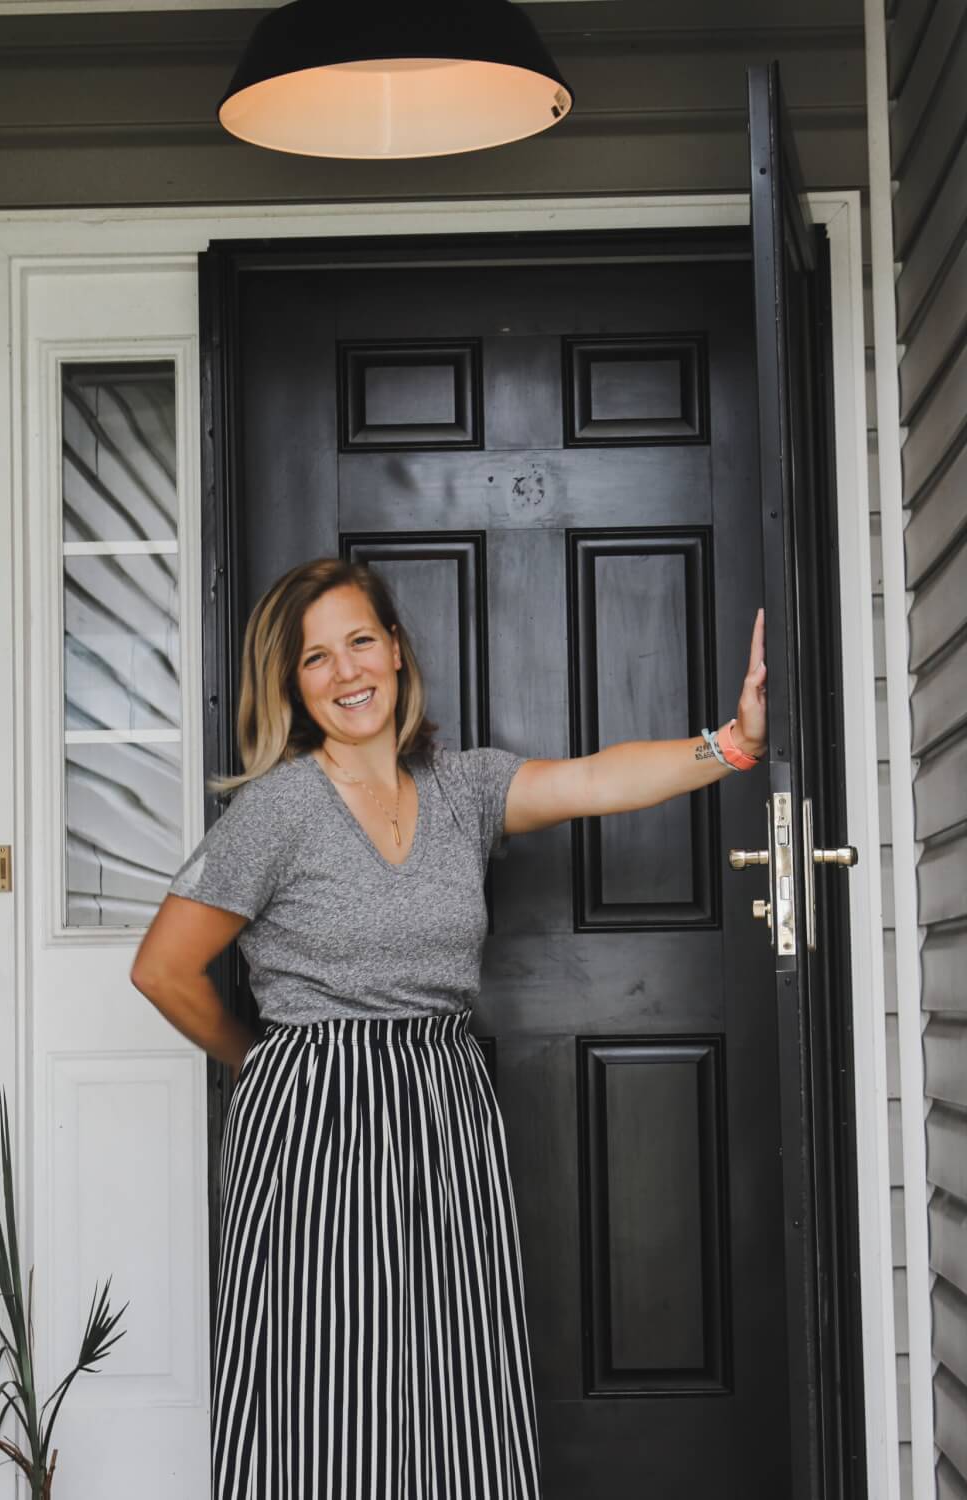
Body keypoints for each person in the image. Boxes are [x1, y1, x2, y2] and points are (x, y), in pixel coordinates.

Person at [130, 556, 767, 1500]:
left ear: (395, 649)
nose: (347, 673)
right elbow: (163, 968)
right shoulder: (276, 812)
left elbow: (596, 780)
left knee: (451, 1377)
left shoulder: (461, 789)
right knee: (321, 1387)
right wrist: (260, 1064)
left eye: (360, 642)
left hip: (442, 1106)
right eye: (317, 659)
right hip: (314, 1120)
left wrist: (734, 744)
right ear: (293, 686)